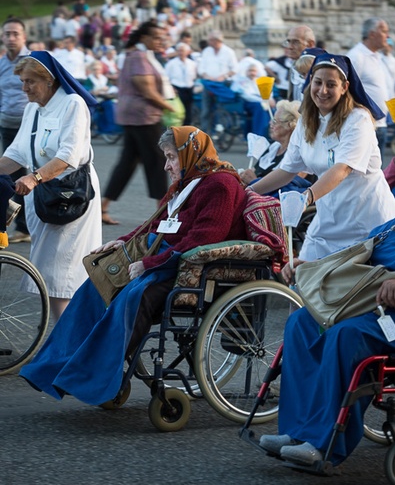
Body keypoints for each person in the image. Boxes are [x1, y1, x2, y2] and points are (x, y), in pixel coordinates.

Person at [19, 126, 247, 406]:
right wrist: (123, 241)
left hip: (189, 267)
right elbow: (154, 222)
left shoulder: (221, 185)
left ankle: (87, 377)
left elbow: (203, 239)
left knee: (130, 297)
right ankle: (54, 367)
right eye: (165, 157)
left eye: (171, 158)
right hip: (166, 257)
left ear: (191, 153)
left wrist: (149, 262)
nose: (167, 166)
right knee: (95, 285)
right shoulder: (190, 180)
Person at [260, 216, 395, 467]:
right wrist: (310, 266)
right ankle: (296, 433)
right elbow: (350, 263)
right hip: (367, 307)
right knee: (300, 323)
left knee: (345, 335)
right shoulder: (389, 228)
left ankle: (324, 444)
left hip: (390, 319)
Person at [249, 53, 395, 262]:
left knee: (350, 290)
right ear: (310, 82)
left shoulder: (358, 119)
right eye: (318, 82)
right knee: (301, 283)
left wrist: (307, 197)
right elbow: (286, 170)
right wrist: (249, 192)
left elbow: (342, 168)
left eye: (331, 84)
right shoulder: (306, 121)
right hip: (328, 220)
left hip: (367, 221)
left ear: (344, 87)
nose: (323, 90)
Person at [0, 51, 101, 321]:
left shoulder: (73, 104)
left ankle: (66, 339)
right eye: (23, 81)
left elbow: (68, 155)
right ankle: (66, 336)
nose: (24, 88)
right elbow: (17, 153)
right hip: (44, 195)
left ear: (49, 80)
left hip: (71, 194)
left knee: (62, 271)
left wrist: (34, 177)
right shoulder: (33, 108)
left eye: (30, 81)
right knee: (49, 269)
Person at [101, 20, 176, 226]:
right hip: (143, 116)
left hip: (134, 116)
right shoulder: (139, 57)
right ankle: (161, 212)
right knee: (157, 162)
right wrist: (169, 106)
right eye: (157, 38)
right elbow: (146, 90)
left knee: (127, 163)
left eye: (163, 38)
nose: (161, 42)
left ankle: (102, 207)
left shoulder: (136, 55)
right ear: (145, 38)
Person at [0, 18, 31, 243]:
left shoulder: (32, 61)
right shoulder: (1, 63)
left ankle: (29, 224)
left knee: (32, 174)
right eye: (7, 34)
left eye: (15, 34)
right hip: (8, 125)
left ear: (24, 37)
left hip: (29, 126)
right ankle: (21, 224)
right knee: (11, 174)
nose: (11, 38)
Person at [347, 18, 390, 161]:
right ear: (372, 34)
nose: (388, 36)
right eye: (384, 31)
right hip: (366, 127)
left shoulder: (377, 57)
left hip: (380, 125)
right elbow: (347, 90)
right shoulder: (356, 56)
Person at [239, 100, 301, 184]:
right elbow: (253, 171)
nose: (270, 123)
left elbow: (288, 187)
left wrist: (254, 182)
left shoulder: (298, 154)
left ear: (289, 125)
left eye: (274, 121)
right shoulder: (273, 148)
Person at [198, 30, 238, 134]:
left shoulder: (229, 52)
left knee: (221, 109)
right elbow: (201, 68)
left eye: (210, 40)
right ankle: (204, 132)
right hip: (208, 83)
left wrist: (224, 76)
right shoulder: (206, 51)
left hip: (223, 83)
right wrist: (206, 75)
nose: (209, 42)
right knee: (206, 110)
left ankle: (221, 130)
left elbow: (235, 69)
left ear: (216, 40)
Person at [230, 64, 271, 137]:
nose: (252, 73)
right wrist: (264, 101)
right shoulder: (241, 81)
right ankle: (259, 135)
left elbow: (268, 92)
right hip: (247, 102)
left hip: (261, 101)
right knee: (260, 107)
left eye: (254, 71)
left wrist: (270, 99)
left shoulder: (259, 81)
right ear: (246, 72)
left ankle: (269, 133)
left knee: (273, 108)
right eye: (250, 71)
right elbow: (245, 95)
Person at [165, 42, 197, 125]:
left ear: (187, 52)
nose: (181, 53)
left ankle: (186, 129)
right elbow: (166, 77)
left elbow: (194, 76)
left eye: (183, 51)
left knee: (188, 111)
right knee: (178, 111)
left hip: (189, 88)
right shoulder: (171, 64)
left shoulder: (192, 63)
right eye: (179, 51)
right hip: (177, 89)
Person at [282, 24, 316, 101]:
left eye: (295, 42)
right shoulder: (293, 65)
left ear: (310, 44)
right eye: (288, 41)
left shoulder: (320, 68)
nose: (290, 47)